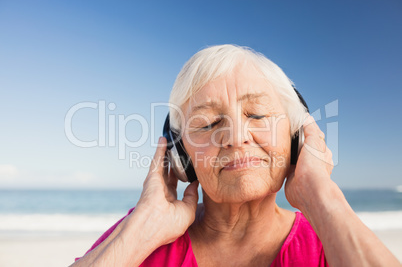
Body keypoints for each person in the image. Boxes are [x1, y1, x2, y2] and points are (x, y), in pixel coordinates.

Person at [71, 45, 400, 266]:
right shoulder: (142, 235)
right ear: (181, 154)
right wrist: (140, 232)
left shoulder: (332, 240)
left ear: (297, 137)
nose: (236, 137)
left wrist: (321, 195)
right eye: (209, 123)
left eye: (257, 115)